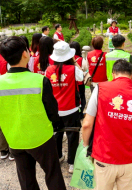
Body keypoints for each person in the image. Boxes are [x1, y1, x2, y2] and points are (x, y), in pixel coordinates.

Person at [0, 36, 66, 190]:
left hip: (15, 139)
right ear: (25, 53)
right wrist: (57, 124)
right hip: (41, 138)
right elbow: (52, 112)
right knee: (52, 174)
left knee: (26, 179)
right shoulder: (39, 80)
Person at [82, 59, 132, 190]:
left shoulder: (100, 89)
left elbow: (87, 124)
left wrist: (85, 146)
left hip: (104, 157)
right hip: (129, 159)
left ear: (113, 74)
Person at [45, 41, 83, 174]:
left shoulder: (48, 70)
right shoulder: (74, 70)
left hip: (55, 110)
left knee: (57, 134)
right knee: (72, 136)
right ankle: (72, 163)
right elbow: (82, 78)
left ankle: (59, 156)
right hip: (71, 109)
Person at [69, 41, 86, 118]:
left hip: (72, 82)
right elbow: (85, 69)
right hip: (80, 83)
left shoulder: (68, 59)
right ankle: (81, 113)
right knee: (82, 98)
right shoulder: (81, 59)